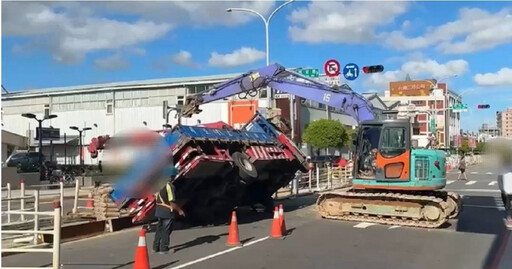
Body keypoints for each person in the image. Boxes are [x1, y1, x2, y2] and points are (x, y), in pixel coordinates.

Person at [152, 168, 185, 254]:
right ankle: (164, 248)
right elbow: (171, 201)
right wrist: (179, 210)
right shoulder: (170, 186)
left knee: (159, 229)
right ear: (171, 176)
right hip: (167, 211)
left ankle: (155, 247)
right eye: (174, 176)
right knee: (166, 230)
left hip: (159, 210)